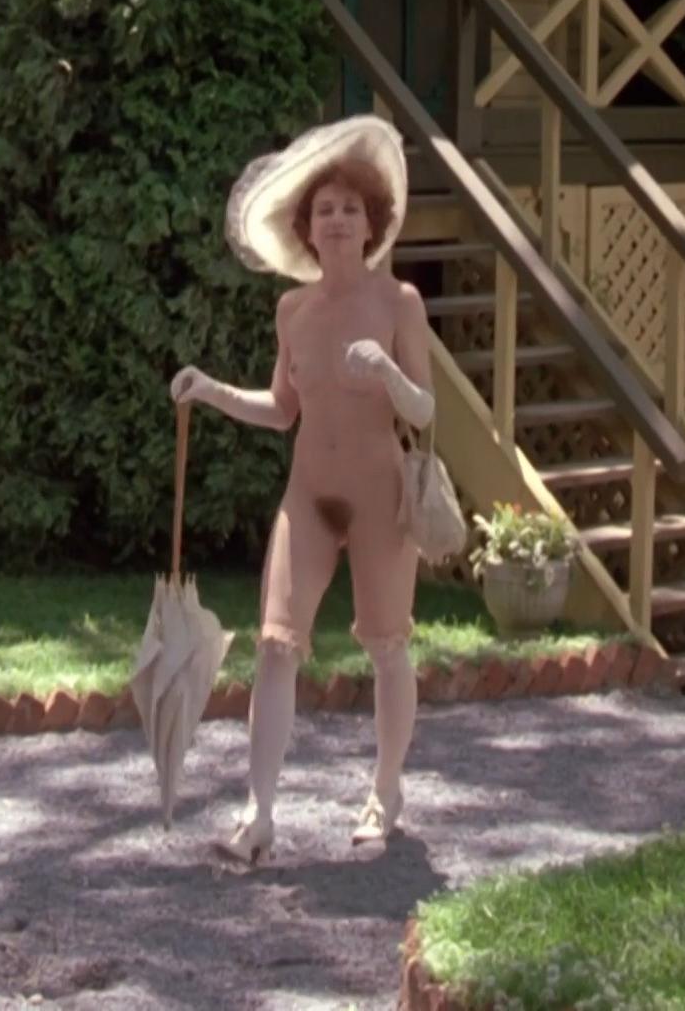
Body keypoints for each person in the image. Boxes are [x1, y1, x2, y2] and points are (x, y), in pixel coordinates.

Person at [169, 116, 436, 863]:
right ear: (307, 230)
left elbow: (425, 410)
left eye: (351, 208)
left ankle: (385, 792)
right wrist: (211, 390)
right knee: (276, 644)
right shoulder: (293, 310)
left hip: (381, 494)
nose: (339, 219)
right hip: (309, 495)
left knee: (388, 646)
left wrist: (386, 372)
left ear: (372, 223)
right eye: (325, 210)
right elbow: (282, 409)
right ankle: (258, 813)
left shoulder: (400, 302)